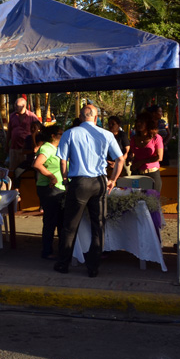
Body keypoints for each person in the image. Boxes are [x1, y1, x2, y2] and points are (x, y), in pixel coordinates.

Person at [54, 105, 125, 277]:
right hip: (99, 181)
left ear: (80, 116)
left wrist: (65, 181)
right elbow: (120, 159)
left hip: (79, 182)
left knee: (70, 226)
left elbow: (63, 161)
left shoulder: (70, 133)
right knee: (98, 225)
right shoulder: (106, 134)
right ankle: (93, 267)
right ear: (96, 117)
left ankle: (63, 263)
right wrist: (113, 180)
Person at [32, 124, 64, 260]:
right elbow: (37, 164)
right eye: (60, 133)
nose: (62, 135)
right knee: (51, 220)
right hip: (50, 188)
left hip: (58, 188)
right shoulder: (47, 147)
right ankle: (47, 250)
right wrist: (51, 176)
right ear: (53, 136)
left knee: (60, 220)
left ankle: (59, 249)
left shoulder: (56, 148)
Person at [128, 112, 163, 194]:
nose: (139, 124)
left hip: (152, 174)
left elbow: (159, 157)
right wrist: (129, 158)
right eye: (137, 122)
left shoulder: (156, 138)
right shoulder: (134, 138)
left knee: (152, 203)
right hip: (137, 173)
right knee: (135, 202)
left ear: (148, 124)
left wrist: (142, 162)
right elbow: (132, 153)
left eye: (142, 122)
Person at [7, 98, 40, 172]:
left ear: (24, 106)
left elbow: (38, 130)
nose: (15, 107)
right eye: (15, 105)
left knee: (25, 170)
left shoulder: (32, 117)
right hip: (14, 147)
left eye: (17, 105)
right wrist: (6, 145)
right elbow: (9, 131)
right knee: (13, 170)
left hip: (27, 149)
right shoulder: (12, 116)